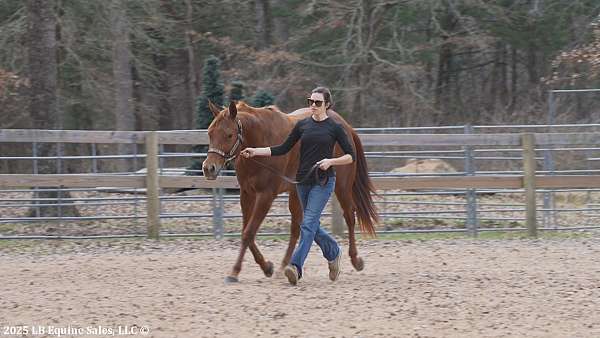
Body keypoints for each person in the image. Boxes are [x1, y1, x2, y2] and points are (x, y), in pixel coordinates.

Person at [240, 86, 355, 286]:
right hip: (302, 182)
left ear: (327, 105)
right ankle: (334, 252)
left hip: (323, 181)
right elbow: (282, 149)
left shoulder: (334, 128)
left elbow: (350, 157)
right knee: (311, 225)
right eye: (310, 101)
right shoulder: (302, 126)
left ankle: (295, 266)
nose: (313, 105)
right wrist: (255, 151)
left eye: (317, 103)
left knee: (307, 223)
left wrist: (330, 162)